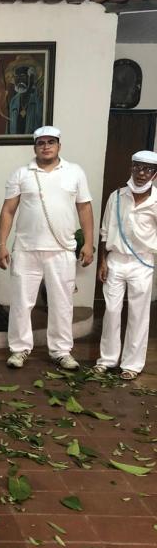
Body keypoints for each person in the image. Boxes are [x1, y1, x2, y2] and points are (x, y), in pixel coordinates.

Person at [0, 125, 94, 370]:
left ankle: (61, 351)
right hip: (26, 249)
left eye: (51, 142)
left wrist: (89, 243)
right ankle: (19, 349)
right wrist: (1, 244)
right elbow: (8, 210)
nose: (46, 146)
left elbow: (84, 208)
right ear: (35, 147)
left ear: (59, 145)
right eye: (41, 143)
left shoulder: (74, 172)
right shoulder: (21, 173)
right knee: (21, 303)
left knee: (62, 303)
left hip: (62, 250)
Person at [94, 150, 157, 380]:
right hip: (116, 260)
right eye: (137, 167)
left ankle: (132, 364)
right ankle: (107, 360)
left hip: (143, 262)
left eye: (148, 169)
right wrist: (103, 261)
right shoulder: (117, 196)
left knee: (138, 314)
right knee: (111, 311)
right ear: (131, 168)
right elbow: (104, 231)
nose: (141, 173)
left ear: (155, 174)